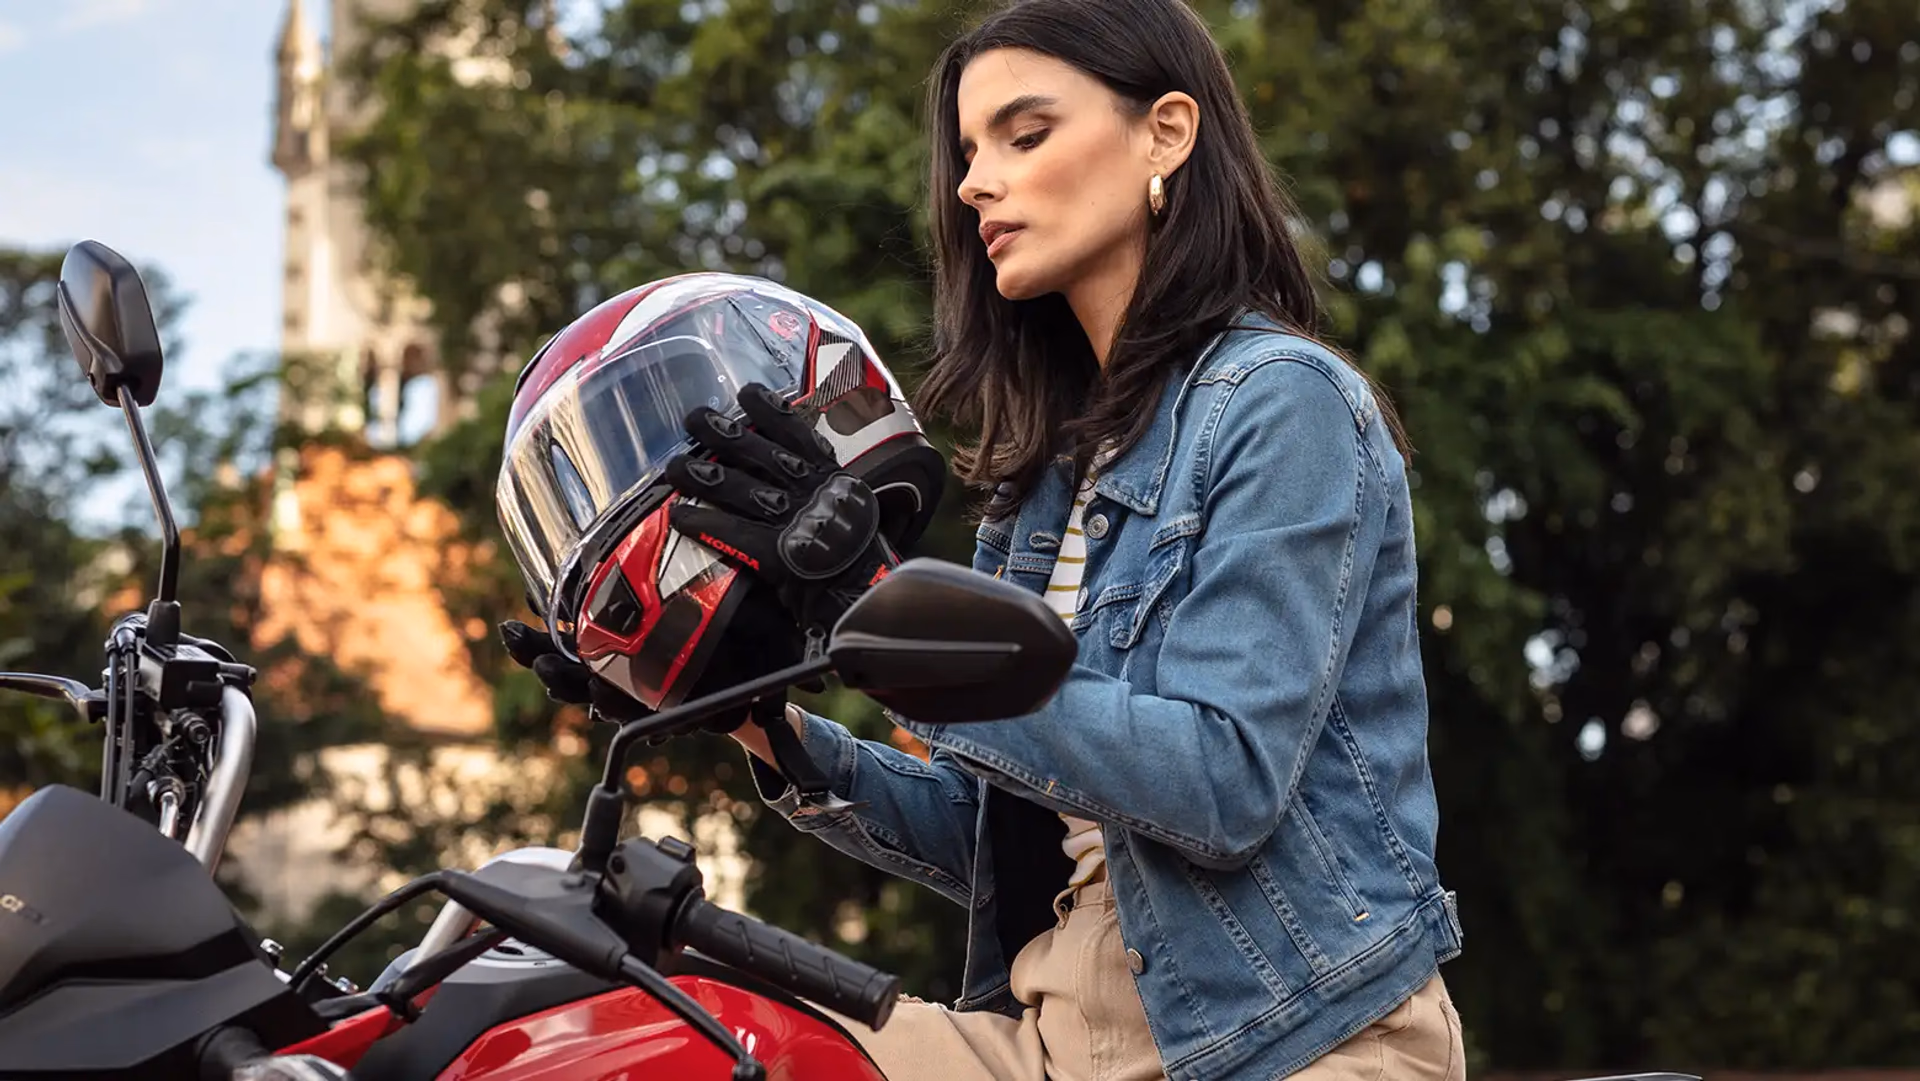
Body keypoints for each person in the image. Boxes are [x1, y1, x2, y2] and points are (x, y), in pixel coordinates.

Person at [509, 0, 1464, 1077]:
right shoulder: (1046, 481)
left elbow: (1225, 782)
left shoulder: (1282, 404)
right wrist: (756, 717)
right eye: (968, 152)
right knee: (643, 1037)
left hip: (1291, 1041)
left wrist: (874, 606)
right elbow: (992, 840)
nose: (972, 183)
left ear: (1168, 133)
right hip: (1053, 1042)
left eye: (1024, 134)